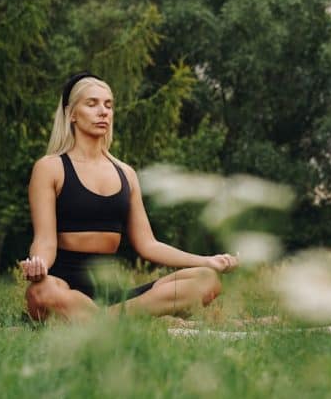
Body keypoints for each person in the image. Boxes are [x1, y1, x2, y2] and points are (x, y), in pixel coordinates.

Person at [20, 72, 237, 321]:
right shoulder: (50, 167)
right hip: (63, 287)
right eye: (92, 104)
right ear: (71, 114)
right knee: (40, 291)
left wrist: (208, 261)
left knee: (206, 280)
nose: (103, 112)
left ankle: (101, 320)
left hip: (115, 294)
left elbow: (148, 245)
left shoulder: (126, 173)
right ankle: (127, 319)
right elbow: (45, 241)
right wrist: (39, 266)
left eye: (108, 105)